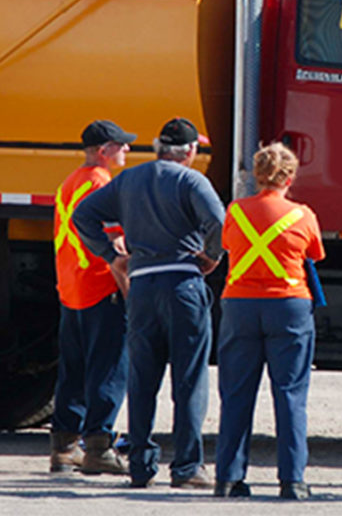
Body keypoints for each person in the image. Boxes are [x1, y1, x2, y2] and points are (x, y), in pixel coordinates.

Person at [73, 117, 225, 490]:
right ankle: (187, 468)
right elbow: (220, 223)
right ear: (189, 151)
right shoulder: (191, 181)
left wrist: (111, 255)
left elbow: (83, 215)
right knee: (188, 379)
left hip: (140, 287)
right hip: (183, 285)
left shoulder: (129, 179)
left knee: (142, 378)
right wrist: (212, 257)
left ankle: (140, 466)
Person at [214, 143, 325, 500]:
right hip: (289, 306)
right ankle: (292, 481)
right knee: (290, 394)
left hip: (241, 305)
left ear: (258, 175)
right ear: (290, 177)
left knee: (235, 394)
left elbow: (228, 245)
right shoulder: (303, 214)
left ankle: (228, 479)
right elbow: (315, 253)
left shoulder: (236, 210)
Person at [49, 120, 135, 475]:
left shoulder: (70, 182)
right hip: (100, 286)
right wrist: (128, 289)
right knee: (109, 366)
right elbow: (115, 248)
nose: (127, 150)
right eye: (122, 145)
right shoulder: (102, 185)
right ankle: (99, 446)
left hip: (71, 286)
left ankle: (64, 447)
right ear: (104, 150)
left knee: (73, 367)